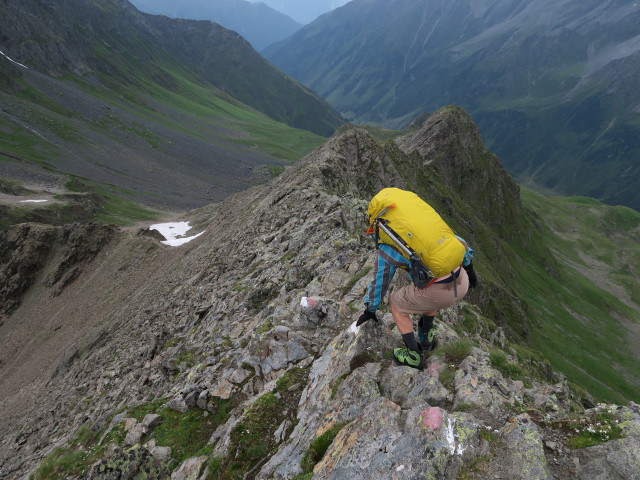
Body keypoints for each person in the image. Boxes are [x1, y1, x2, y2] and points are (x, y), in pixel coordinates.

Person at [356, 193, 478, 370]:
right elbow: (458, 242)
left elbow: (380, 280)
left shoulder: (392, 243)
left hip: (438, 293)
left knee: (396, 302)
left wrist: (370, 308)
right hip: (462, 279)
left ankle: (413, 354)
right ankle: (426, 337)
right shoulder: (426, 228)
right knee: (425, 289)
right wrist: (469, 268)